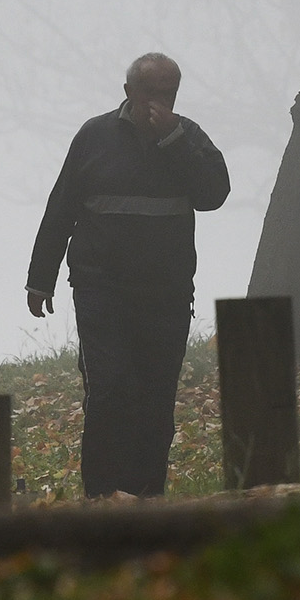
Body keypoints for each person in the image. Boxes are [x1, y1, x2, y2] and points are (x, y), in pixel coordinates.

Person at [26, 52, 230, 497]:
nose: (158, 103)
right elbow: (61, 207)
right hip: (102, 290)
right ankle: (101, 495)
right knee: (111, 389)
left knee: (156, 400)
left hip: (167, 294)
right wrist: (40, 277)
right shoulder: (95, 137)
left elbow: (214, 194)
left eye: (168, 95)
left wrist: (174, 140)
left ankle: (146, 497)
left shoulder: (189, 138)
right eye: (150, 93)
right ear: (128, 93)